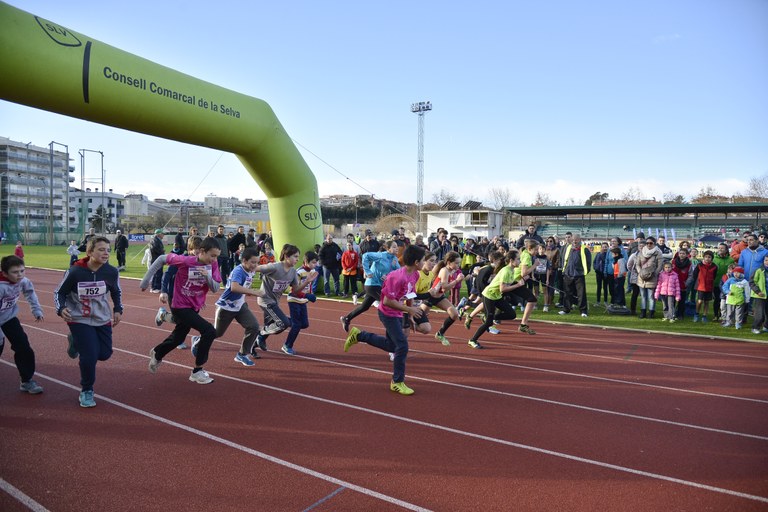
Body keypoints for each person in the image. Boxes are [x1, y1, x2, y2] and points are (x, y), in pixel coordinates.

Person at [343, 245, 426, 395]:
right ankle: (397, 381)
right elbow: (387, 301)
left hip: (398, 313)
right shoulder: (397, 276)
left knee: (392, 346)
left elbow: (410, 294)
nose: (425, 263)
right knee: (402, 346)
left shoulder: (415, 275)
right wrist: (409, 310)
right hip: (387, 313)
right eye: (424, 260)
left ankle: (359, 335)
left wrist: (411, 315)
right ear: (416, 262)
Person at [141, 237, 221, 384]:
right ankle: (197, 371)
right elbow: (161, 259)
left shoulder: (213, 265)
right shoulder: (186, 261)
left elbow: (215, 288)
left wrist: (207, 275)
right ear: (202, 251)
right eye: (212, 255)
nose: (214, 259)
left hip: (194, 306)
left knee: (178, 338)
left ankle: (157, 353)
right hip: (179, 305)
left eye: (216, 256)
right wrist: (146, 281)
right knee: (209, 331)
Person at [54, 237, 123, 407]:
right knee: (90, 356)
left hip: (101, 318)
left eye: (108, 249)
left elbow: (116, 292)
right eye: (101, 249)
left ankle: (74, 342)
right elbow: (59, 293)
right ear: (90, 252)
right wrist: (61, 308)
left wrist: (118, 310)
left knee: (104, 354)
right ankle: (86, 390)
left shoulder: (111, 272)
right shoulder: (75, 272)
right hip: (78, 318)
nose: (106, 253)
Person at [252, 244, 318, 353]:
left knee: (272, 326)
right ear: (287, 256)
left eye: (298, 257)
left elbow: (296, 290)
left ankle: (253, 346)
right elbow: (255, 268)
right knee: (283, 323)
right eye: (295, 256)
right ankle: (261, 333)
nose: (297, 259)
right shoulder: (274, 267)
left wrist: (307, 281)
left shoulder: (292, 272)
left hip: (275, 302)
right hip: (265, 300)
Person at [209, 246, 265, 366]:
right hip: (226, 307)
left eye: (257, 262)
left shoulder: (251, 270)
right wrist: (254, 292)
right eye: (253, 262)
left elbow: (243, 285)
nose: (255, 265)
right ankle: (198, 341)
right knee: (217, 333)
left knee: (254, 326)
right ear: (244, 260)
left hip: (240, 306)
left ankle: (242, 354)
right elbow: (234, 287)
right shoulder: (239, 271)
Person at [0, 255, 44, 395]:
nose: (19, 275)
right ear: (4, 273)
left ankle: (26, 381)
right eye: (15, 272)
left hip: (8, 317)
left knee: (23, 347)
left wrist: (36, 310)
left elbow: (30, 293)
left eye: (22, 271)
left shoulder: (23, 281)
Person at [468, 250, 524, 349]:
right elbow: (503, 288)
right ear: (511, 260)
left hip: (497, 296)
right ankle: (472, 340)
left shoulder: (511, 270)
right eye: (518, 259)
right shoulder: (506, 271)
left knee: (512, 314)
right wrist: (518, 285)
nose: (520, 261)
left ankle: (489, 317)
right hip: (489, 295)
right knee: (488, 323)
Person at [340, 241, 400, 332]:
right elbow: (365, 256)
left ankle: (347, 318)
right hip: (372, 284)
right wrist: (367, 271)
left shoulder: (394, 259)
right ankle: (392, 329)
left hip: (379, 286)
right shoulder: (380, 256)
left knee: (365, 307)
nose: (397, 248)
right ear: (388, 249)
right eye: (394, 247)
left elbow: (399, 273)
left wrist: (389, 276)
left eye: (397, 247)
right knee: (388, 304)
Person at [283, 250, 320, 355]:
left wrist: (310, 295)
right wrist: (306, 295)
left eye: (316, 262)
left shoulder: (312, 272)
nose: (315, 264)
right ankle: (287, 345)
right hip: (294, 300)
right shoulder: (298, 272)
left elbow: (309, 286)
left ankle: (283, 320)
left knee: (304, 324)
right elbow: (294, 290)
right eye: (313, 262)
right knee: (297, 324)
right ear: (306, 261)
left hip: (302, 300)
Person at [431, 251, 465, 346]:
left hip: (439, 297)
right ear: (449, 263)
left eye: (459, 263)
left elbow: (446, 288)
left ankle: (440, 333)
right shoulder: (444, 270)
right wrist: (457, 280)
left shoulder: (451, 270)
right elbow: (444, 287)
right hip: (430, 297)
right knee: (422, 326)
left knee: (454, 314)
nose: (459, 265)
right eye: (457, 263)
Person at [558, 233, 591, 317]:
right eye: (573, 240)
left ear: (580, 240)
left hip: (579, 275)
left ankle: (583, 311)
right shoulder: (568, 248)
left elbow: (588, 262)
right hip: (568, 273)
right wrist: (564, 270)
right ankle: (566, 309)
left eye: (576, 240)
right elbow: (564, 259)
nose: (574, 241)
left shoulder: (584, 250)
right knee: (567, 293)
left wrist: (584, 271)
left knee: (581, 294)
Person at [635, 236, 663, 319]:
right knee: (643, 296)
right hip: (641, 278)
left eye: (650, 243)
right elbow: (637, 264)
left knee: (651, 296)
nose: (648, 244)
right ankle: (643, 312)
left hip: (652, 277)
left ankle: (651, 312)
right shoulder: (641, 252)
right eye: (647, 243)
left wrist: (655, 273)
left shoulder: (658, 252)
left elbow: (660, 265)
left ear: (654, 243)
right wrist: (640, 272)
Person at [691, 250, 717, 322]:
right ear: (703, 258)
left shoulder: (714, 266)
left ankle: (704, 315)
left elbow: (714, 276)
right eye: (706, 257)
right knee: (699, 301)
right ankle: (696, 314)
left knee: (706, 302)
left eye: (709, 257)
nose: (707, 258)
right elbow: (695, 275)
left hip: (709, 286)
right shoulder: (699, 265)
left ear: (712, 258)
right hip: (701, 286)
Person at [713, 243, 735, 321]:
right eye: (719, 248)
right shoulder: (714, 259)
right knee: (717, 299)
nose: (720, 249)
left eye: (722, 248)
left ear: (726, 250)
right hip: (715, 283)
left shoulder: (731, 260)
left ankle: (724, 315)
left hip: (727, 284)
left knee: (725, 300)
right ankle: (716, 315)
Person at [671, 248, 693, 320]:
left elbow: (690, 275)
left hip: (683, 285)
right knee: (672, 300)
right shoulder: (673, 262)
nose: (681, 255)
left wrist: (686, 283)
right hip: (673, 285)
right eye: (680, 253)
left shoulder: (689, 264)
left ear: (687, 255)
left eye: (683, 253)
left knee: (681, 301)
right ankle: (672, 313)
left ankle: (680, 314)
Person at [749, 255, 768, 334]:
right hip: (760, 295)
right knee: (760, 314)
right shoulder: (759, 270)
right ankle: (755, 327)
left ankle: (766, 327)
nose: (767, 262)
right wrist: (758, 291)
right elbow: (752, 282)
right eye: (766, 260)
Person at [149, 228, 165, 292]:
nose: (163, 235)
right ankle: (155, 287)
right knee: (157, 273)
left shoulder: (157, 240)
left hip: (157, 259)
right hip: (156, 259)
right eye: (162, 234)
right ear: (159, 234)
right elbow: (155, 249)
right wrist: (162, 251)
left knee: (157, 273)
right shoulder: (155, 240)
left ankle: (155, 287)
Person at [593, 242, 609, 307]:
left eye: (606, 247)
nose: (604, 248)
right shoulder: (598, 254)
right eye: (603, 247)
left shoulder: (608, 254)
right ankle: (598, 301)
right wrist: (595, 268)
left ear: (608, 247)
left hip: (605, 273)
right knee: (599, 287)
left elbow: (606, 261)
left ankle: (605, 301)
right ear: (601, 247)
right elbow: (594, 262)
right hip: (598, 273)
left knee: (605, 288)